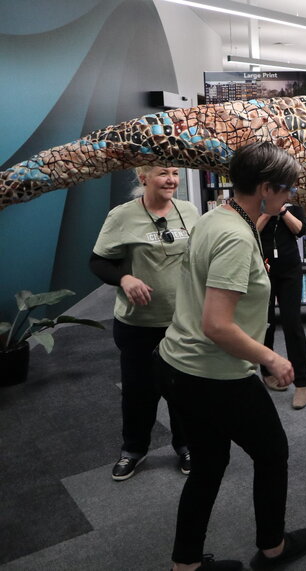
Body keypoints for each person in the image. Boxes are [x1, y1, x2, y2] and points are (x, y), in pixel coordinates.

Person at [154, 142, 306, 571]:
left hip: (179, 364)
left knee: (208, 464)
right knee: (272, 451)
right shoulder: (236, 238)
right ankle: (273, 548)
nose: (290, 196)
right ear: (265, 188)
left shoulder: (214, 217)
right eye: (286, 188)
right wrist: (273, 360)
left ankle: (185, 564)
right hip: (214, 372)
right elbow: (218, 325)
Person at [90, 165, 199, 481]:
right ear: (143, 177)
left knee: (184, 388)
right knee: (139, 391)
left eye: (176, 173)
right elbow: (97, 261)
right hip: (138, 324)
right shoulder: (122, 216)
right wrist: (124, 278)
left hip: (182, 321)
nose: (171, 180)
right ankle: (133, 451)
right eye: (163, 173)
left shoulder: (190, 211)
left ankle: (186, 446)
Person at [256, 202, 306, 410]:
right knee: (266, 322)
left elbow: (300, 230)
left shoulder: (292, 203)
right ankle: (267, 371)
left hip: (290, 270)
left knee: (292, 322)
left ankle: (302, 383)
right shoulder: (256, 202)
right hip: (263, 268)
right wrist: (268, 213)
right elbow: (253, 230)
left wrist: (282, 211)